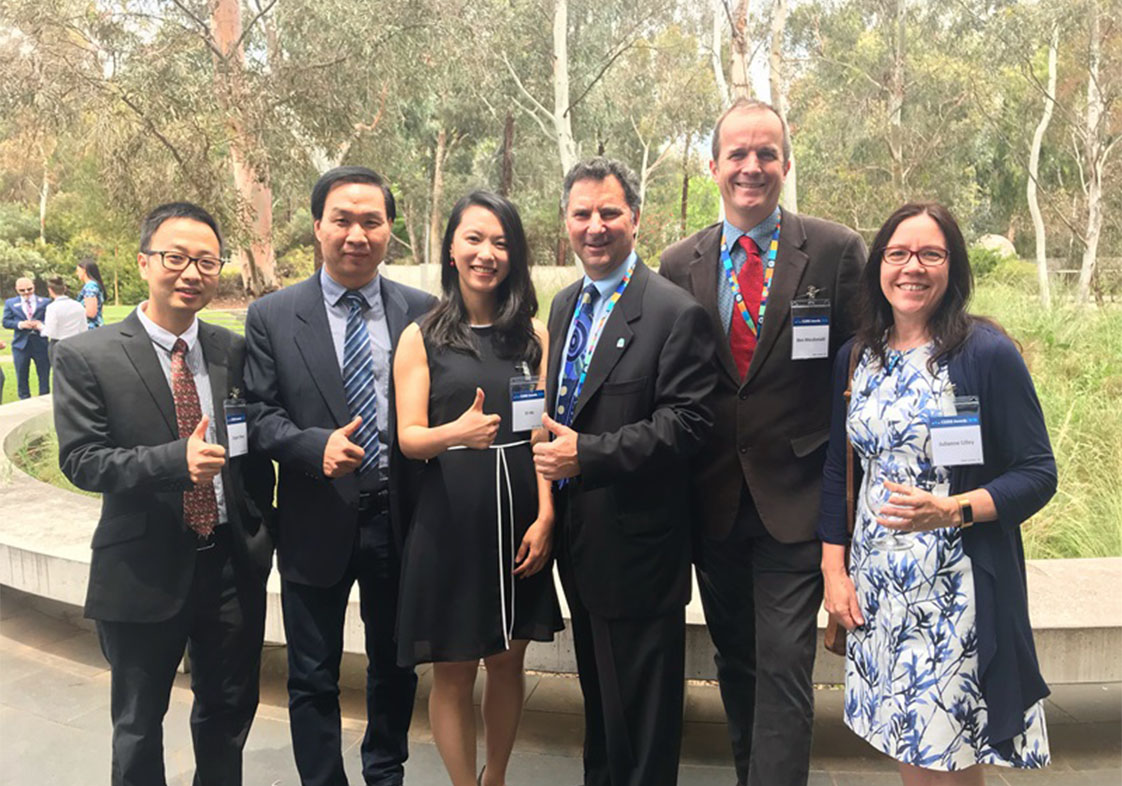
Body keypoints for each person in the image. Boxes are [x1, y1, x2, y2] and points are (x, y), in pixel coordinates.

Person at [658, 98, 867, 786]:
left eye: (766, 154)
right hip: (711, 501)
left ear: (785, 161)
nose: (752, 168)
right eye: (738, 155)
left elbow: (861, 384)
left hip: (797, 499)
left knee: (782, 665)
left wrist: (851, 520)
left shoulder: (835, 252)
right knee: (737, 661)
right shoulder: (678, 261)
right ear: (713, 165)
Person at [818, 202, 1055, 784]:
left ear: (953, 267)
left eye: (930, 254)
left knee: (947, 752)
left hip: (957, 590)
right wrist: (834, 570)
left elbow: (1038, 472)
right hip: (878, 587)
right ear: (879, 265)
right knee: (908, 740)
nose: (912, 267)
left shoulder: (985, 355)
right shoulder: (859, 357)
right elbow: (837, 466)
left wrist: (953, 507)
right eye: (898, 253)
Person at [52, 202, 276, 786]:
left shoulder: (233, 351)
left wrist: (260, 531)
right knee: (137, 722)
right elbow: (81, 459)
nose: (191, 272)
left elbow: (254, 449)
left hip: (229, 565)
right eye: (175, 257)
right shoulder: (87, 356)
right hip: (141, 565)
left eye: (206, 261)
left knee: (228, 713)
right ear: (144, 261)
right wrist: (174, 462)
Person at [244, 165, 436, 786]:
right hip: (313, 517)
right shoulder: (273, 315)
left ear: (390, 230)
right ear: (318, 225)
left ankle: (385, 772)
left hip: (398, 518)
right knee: (313, 673)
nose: (357, 234)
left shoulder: (423, 311)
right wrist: (312, 446)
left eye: (372, 221)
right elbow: (258, 415)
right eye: (343, 220)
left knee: (395, 665)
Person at [533, 158, 716, 786]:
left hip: (640, 552)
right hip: (579, 549)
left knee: (643, 729)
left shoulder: (673, 311)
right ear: (567, 223)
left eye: (609, 212)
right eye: (582, 214)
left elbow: (688, 425)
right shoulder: (562, 307)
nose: (595, 226)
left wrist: (589, 453)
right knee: (604, 719)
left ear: (636, 219)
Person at [394, 191, 563, 786]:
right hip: (449, 517)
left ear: (514, 255)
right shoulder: (422, 336)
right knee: (454, 667)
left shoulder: (534, 336)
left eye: (500, 242)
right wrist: (457, 433)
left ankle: (497, 778)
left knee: (508, 659)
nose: (486, 253)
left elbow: (546, 437)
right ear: (451, 248)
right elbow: (409, 437)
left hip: (520, 513)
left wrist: (546, 518)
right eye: (474, 239)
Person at [3, 277, 51, 399]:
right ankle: (24, 401)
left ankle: (44, 400)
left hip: (40, 343)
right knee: (22, 375)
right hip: (20, 345)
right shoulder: (10, 303)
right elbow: (6, 322)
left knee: (44, 374)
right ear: (16, 289)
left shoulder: (45, 302)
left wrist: (40, 325)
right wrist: (20, 325)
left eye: (29, 289)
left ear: (34, 287)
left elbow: (51, 320)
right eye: (22, 290)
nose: (26, 293)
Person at [41, 276, 88, 362]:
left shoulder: (52, 307)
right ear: (65, 289)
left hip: (59, 344)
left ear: (50, 290)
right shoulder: (78, 305)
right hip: (75, 344)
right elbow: (84, 328)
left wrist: (40, 327)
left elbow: (51, 332)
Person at [77, 257, 107, 329]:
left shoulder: (90, 287)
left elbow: (91, 313)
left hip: (90, 328)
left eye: (78, 271)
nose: (77, 273)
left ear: (84, 271)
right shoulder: (95, 285)